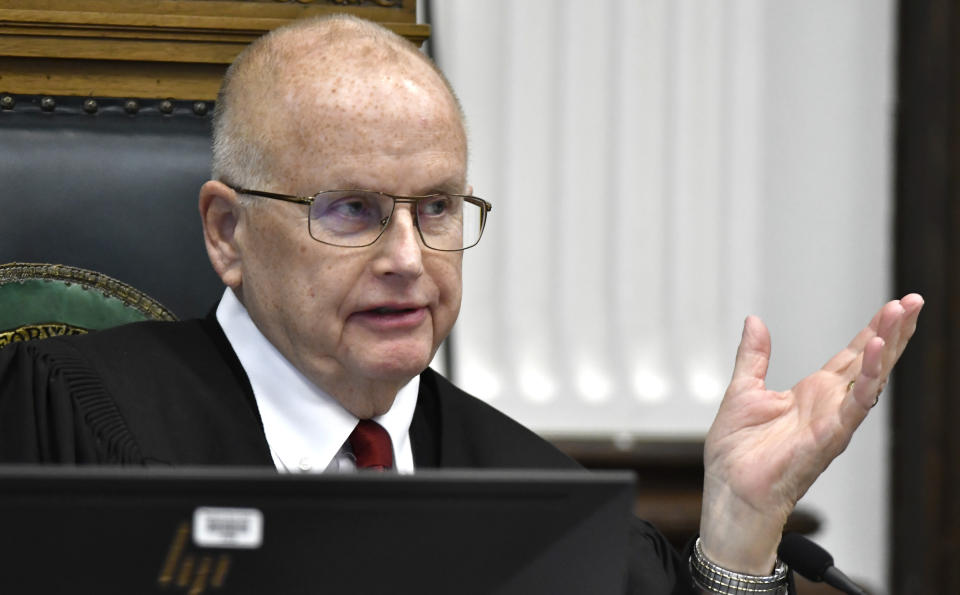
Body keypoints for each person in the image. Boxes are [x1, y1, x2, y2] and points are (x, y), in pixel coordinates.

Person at [0, 14, 923, 594]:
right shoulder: (66, 420)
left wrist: (737, 531)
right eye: (351, 209)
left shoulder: (541, 499)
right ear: (226, 231)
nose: (408, 258)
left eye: (436, 207)